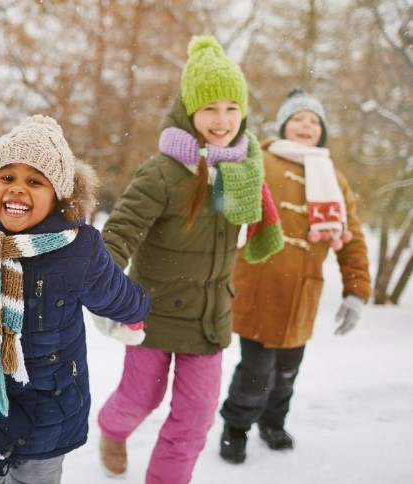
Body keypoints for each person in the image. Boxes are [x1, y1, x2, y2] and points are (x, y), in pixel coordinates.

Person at [0, 114, 151, 484]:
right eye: (7, 178)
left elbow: (114, 293)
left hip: (51, 403)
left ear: (58, 194)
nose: (17, 189)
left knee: (36, 477)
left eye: (34, 181)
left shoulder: (79, 249)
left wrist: (138, 308)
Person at [94, 35, 284, 484]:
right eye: (209, 109)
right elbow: (118, 234)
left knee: (195, 420)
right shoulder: (162, 171)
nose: (221, 121)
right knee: (140, 399)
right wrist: (104, 293)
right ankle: (112, 428)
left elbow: (257, 229)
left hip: (209, 319)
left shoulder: (244, 168)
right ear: (188, 111)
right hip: (153, 314)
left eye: (231, 108)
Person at [218, 88, 371, 464]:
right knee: (256, 370)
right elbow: (227, 207)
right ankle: (235, 428)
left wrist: (356, 291)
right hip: (258, 287)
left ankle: (273, 423)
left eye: (314, 120)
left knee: (287, 371)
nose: (306, 126)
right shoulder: (261, 159)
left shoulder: (333, 178)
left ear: (322, 131)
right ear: (285, 124)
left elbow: (353, 240)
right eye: (298, 118)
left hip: (303, 295)